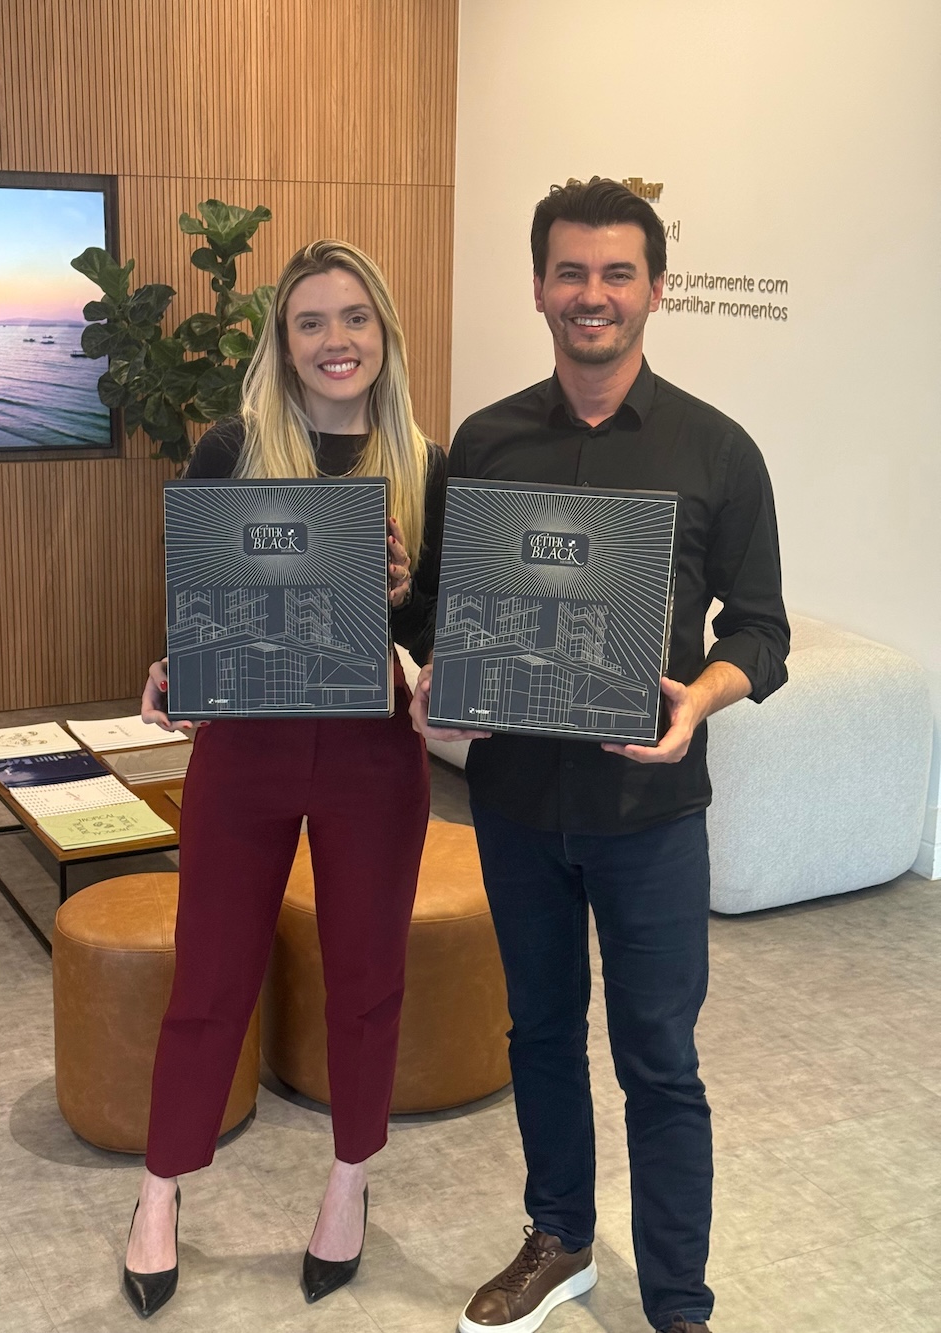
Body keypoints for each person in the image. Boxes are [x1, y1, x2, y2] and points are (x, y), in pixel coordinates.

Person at [411, 177, 790, 1333]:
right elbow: (444, 610)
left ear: (654, 290)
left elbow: (760, 632)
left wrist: (700, 698)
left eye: (617, 272)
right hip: (516, 802)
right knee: (537, 1033)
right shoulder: (484, 441)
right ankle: (560, 1236)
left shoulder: (716, 450)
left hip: (650, 812)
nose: (593, 294)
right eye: (570, 272)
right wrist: (436, 673)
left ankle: (678, 1301)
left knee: (659, 1060)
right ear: (538, 287)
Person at [123, 239, 446, 1319]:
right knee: (211, 972)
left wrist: (402, 605)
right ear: (284, 340)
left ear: (383, 331)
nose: (334, 340)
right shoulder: (233, 448)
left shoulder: (425, 464)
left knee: (367, 975)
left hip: (371, 753)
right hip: (247, 745)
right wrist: (174, 664)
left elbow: (439, 634)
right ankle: (160, 1187)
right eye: (311, 321)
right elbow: (203, 604)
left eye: (354, 317)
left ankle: (349, 1178)